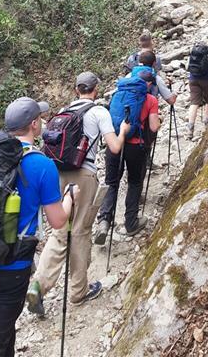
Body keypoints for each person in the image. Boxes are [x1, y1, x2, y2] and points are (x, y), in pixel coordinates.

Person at [0, 96, 79, 357]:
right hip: (12, 268)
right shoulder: (41, 164)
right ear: (34, 124)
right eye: (40, 119)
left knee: (2, 331)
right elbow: (58, 221)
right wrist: (68, 199)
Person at [27, 72, 130, 316]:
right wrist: (123, 131)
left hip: (59, 175)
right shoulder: (98, 112)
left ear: (76, 90)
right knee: (81, 231)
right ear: (95, 90)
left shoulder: (64, 111)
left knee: (60, 232)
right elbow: (114, 148)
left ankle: (38, 286)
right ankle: (78, 291)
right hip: (84, 175)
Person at [95, 69, 161, 245]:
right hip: (135, 146)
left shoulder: (119, 95)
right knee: (134, 182)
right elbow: (154, 127)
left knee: (111, 182)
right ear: (146, 85)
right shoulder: (150, 99)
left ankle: (104, 220)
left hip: (114, 142)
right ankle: (131, 222)